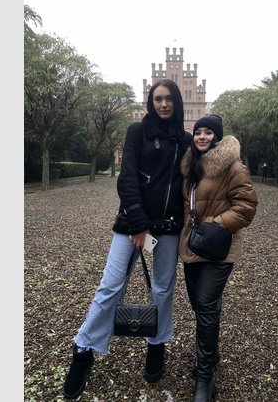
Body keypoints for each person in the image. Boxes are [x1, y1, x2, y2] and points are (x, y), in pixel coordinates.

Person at [62, 79, 192, 399]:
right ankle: (84, 348)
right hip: (133, 224)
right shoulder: (137, 131)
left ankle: (156, 343)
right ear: (151, 102)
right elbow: (128, 178)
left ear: (177, 102)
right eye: (157, 99)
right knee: (110, 285)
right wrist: (137, 223)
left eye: (168, 99)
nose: (163, 104)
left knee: (163, 288)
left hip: (168, 226)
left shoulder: (185, 139)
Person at [178, 115, 258, 401]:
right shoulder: (190, 166)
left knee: (206, 305)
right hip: (192, 247)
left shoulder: (233, 166)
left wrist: (216, 226)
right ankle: (210, 353)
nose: (202, 137)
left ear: (217, 137)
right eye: (198, 132)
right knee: (201, 307)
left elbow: (246, 205)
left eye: (208, 132)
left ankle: (204, 376)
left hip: (219, 248)